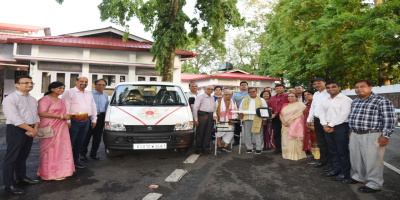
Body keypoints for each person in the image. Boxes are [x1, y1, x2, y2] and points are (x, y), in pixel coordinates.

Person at [347, 80, 396, 193]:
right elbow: (352, 117)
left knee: (373, 159)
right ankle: (359, 176)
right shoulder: (355, 101)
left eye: (362, 86)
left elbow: (389, 119)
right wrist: (351, 131)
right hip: (355, 134)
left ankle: (374, 183)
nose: (359, 89)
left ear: (370, 87)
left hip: (372, 134)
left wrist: (385, 136)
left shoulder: (381, 101)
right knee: (356, 158)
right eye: (357, 87)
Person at [2, 76, 41, 195]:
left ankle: (21, 178)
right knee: (12, 157)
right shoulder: (10, 99)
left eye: (31, 83)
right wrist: (30, 129)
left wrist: (35, 128)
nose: (29, 85)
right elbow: (14, 118)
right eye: (25, 83)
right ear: (17, 85)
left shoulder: (33, 99)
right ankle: (9, 184)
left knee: (23, 156)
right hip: (16, 129)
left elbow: (36, 116)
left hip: (30, 129)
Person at [37, 82, 75, 181]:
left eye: (63, 88)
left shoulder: (61, 101)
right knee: (50, 149)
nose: (62, 90)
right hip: (49, 127)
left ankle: (62, 171)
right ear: (52, 89)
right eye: (59, 88)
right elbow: (41, 112)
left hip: (62, 127)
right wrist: (61, 117)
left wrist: (67, 119)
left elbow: (64, 112)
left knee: (62, 149)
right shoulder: (45, 99)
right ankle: (49, 173)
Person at [319, 81, 353, 182]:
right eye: (328, 87)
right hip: (327, 127)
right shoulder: (325, 100)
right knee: (332, 150)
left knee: (342, 151)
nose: (331, 89)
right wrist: (325, 125)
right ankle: (336, 170)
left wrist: (331, 125)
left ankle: (345, 173)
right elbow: (321, 114)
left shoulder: (346, 100)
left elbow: (344, 115)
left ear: (339, 87)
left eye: (333, 87)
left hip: (341, 127)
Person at [62, 77, 97, 169]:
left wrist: (94, 119)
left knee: (80, 142)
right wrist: (68, 121)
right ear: (76, 81)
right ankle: (66, 163)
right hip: (73, 121)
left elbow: (93, 106)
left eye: (86, 82)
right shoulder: (69, 92)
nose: (84, 83)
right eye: (81, 81)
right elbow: (65, 107)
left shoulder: (89, 93)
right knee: (70, 143)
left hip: (86, 121)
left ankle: (75, 160)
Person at [306, 78, 331, 171]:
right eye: (315, 84)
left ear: (324, 83)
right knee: (320, 142)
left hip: (327, 120)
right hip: (317, 120)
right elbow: (312, 107)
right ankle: (323, 161)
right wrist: (309, 119)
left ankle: (330, 163)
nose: (317, 85)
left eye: (319, 83)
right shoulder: (316, 94)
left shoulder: (329, 93)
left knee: (329, 142)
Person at [81, 79, 109, 160]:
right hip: (90, 117)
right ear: (95, 85)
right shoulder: (89, 94)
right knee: (86, 136)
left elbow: (106, 107)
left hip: (101, 117)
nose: (101, 86)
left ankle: (93, 153)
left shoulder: (105, 95)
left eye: (103, 85)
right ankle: (82, 153)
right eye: (99, 84)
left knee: (97, 137)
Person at [238, 87, 268, 154]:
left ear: (256, 92)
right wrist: (240, 114)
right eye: (250, 92)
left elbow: (265, 110)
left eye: (253, 91)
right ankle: (249, 148)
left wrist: (264, 120)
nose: (252, 93)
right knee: (247, 134)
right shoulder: (244, 100)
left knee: (259, 134)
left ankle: (259, 148)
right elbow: (241, 109)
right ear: (248, 93)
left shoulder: (261, 100)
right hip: (247, 119)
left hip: (258, 119)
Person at [279, 93, 307, 161]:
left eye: (292, 96)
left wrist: (294, 122)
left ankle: (297, 155)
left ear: (296, 97)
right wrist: (284, 122)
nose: (290, 97)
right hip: (286, 125)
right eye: (288, 96)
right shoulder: (285, 105)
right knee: (286, 140)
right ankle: (287, 154)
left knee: (296, 141)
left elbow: (303, 115)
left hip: (297, 126)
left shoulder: (301, 105)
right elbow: (281, 115)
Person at [193, 85, 216, 155]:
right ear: (204, 89)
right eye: (208, 89)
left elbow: (214, 108)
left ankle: (206, 148)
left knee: (208, 133)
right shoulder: (200, 97)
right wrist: (196, 119)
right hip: (202, 115)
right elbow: (195, 108)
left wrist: (214, 116)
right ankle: (198, 149)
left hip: (210, 116)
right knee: (200, 133)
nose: (210, 90)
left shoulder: (212, 98)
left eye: (212, 89)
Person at [269, 84, 288, 154]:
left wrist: (275, 113)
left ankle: (286, 148)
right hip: (274, 117)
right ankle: (278, 147)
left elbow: (281, 105)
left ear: (284, 89)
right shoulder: (272, 97)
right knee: (276, 133)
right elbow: (270, 106)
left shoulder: (286, 96)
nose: (278, 89)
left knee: (285, 132)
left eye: (280, 88)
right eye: (277, 88)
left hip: (284, 116)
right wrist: (270, 110)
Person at [302, 90, 320, 164]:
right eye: (305, 95)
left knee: (316, 141)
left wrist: (313, 125)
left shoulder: (316, 104)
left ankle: (318, 158)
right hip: (308, 126)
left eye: (309, 94)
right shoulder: (307, 104)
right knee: (312, 142)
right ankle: (315, 156)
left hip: (315, 126)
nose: (307, 96)